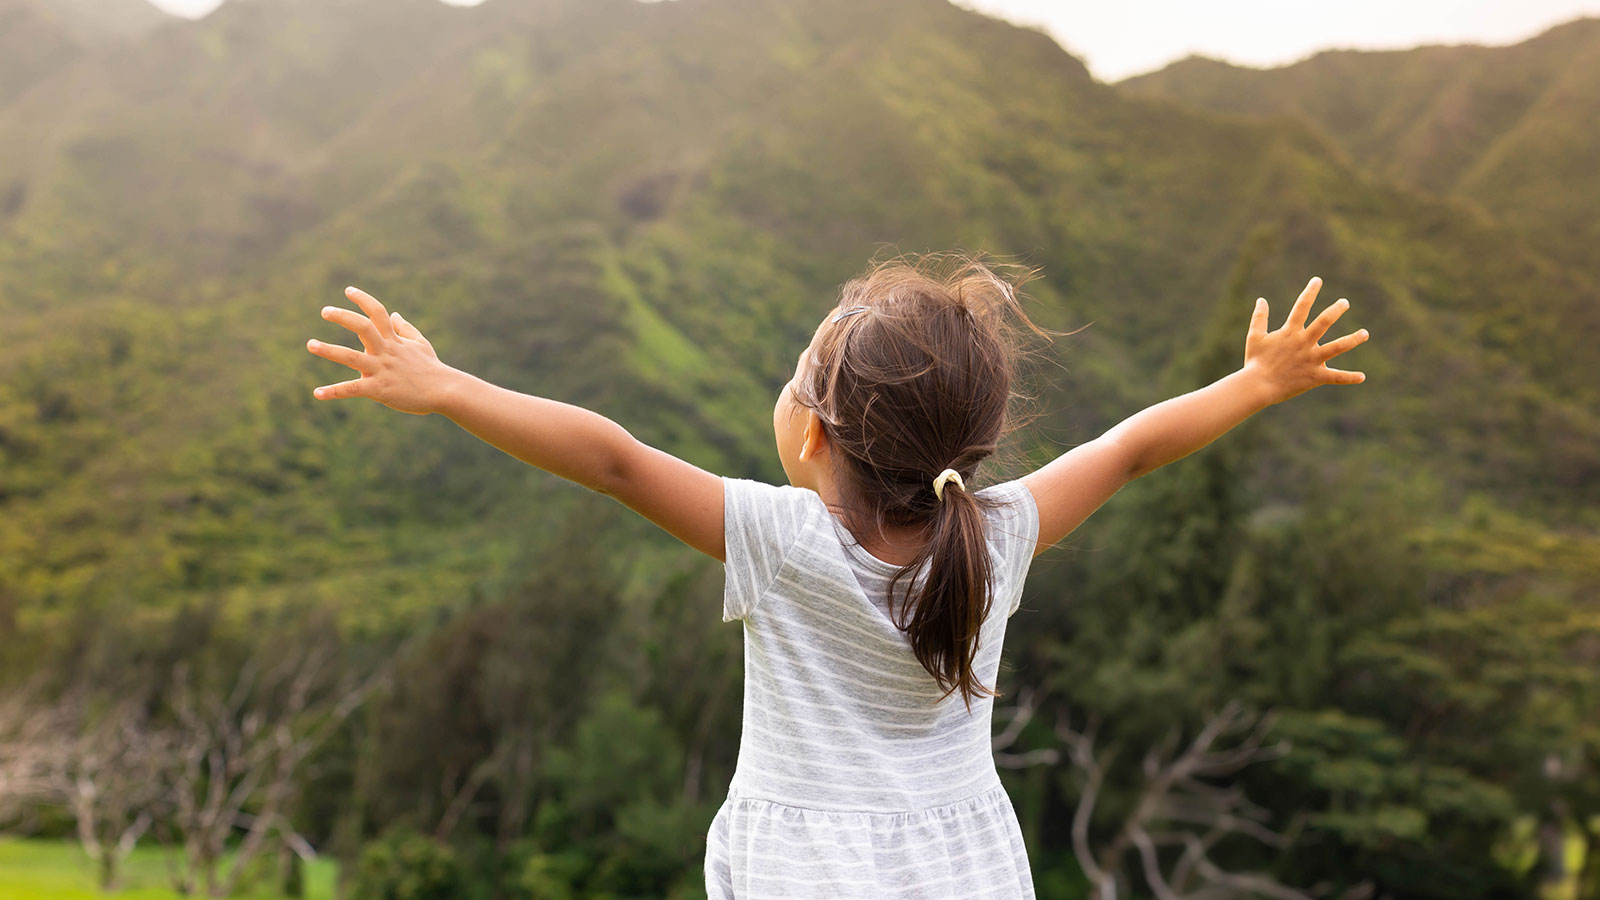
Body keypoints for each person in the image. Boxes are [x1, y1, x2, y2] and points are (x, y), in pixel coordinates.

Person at [305, 251, 1369, 899]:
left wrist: (446, 387)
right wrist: (1254, 382)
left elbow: (613, 458)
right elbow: (1130, 447)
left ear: (813, 435)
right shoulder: (996, 535)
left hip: (803, 878)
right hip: (967, 871)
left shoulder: (782, 539)